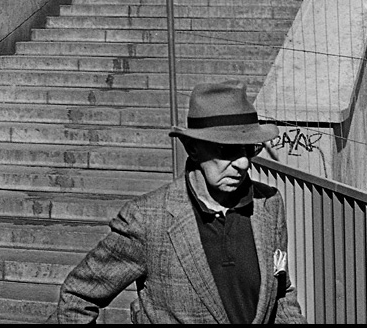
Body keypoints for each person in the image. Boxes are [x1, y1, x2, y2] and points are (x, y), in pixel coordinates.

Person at [52, 80, 308, 324]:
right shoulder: (148, 219)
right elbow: (77, 297)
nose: (243, 163)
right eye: (228, 150)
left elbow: (280, 293)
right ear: (193, 148)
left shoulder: (269, 204)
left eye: (249, 149)